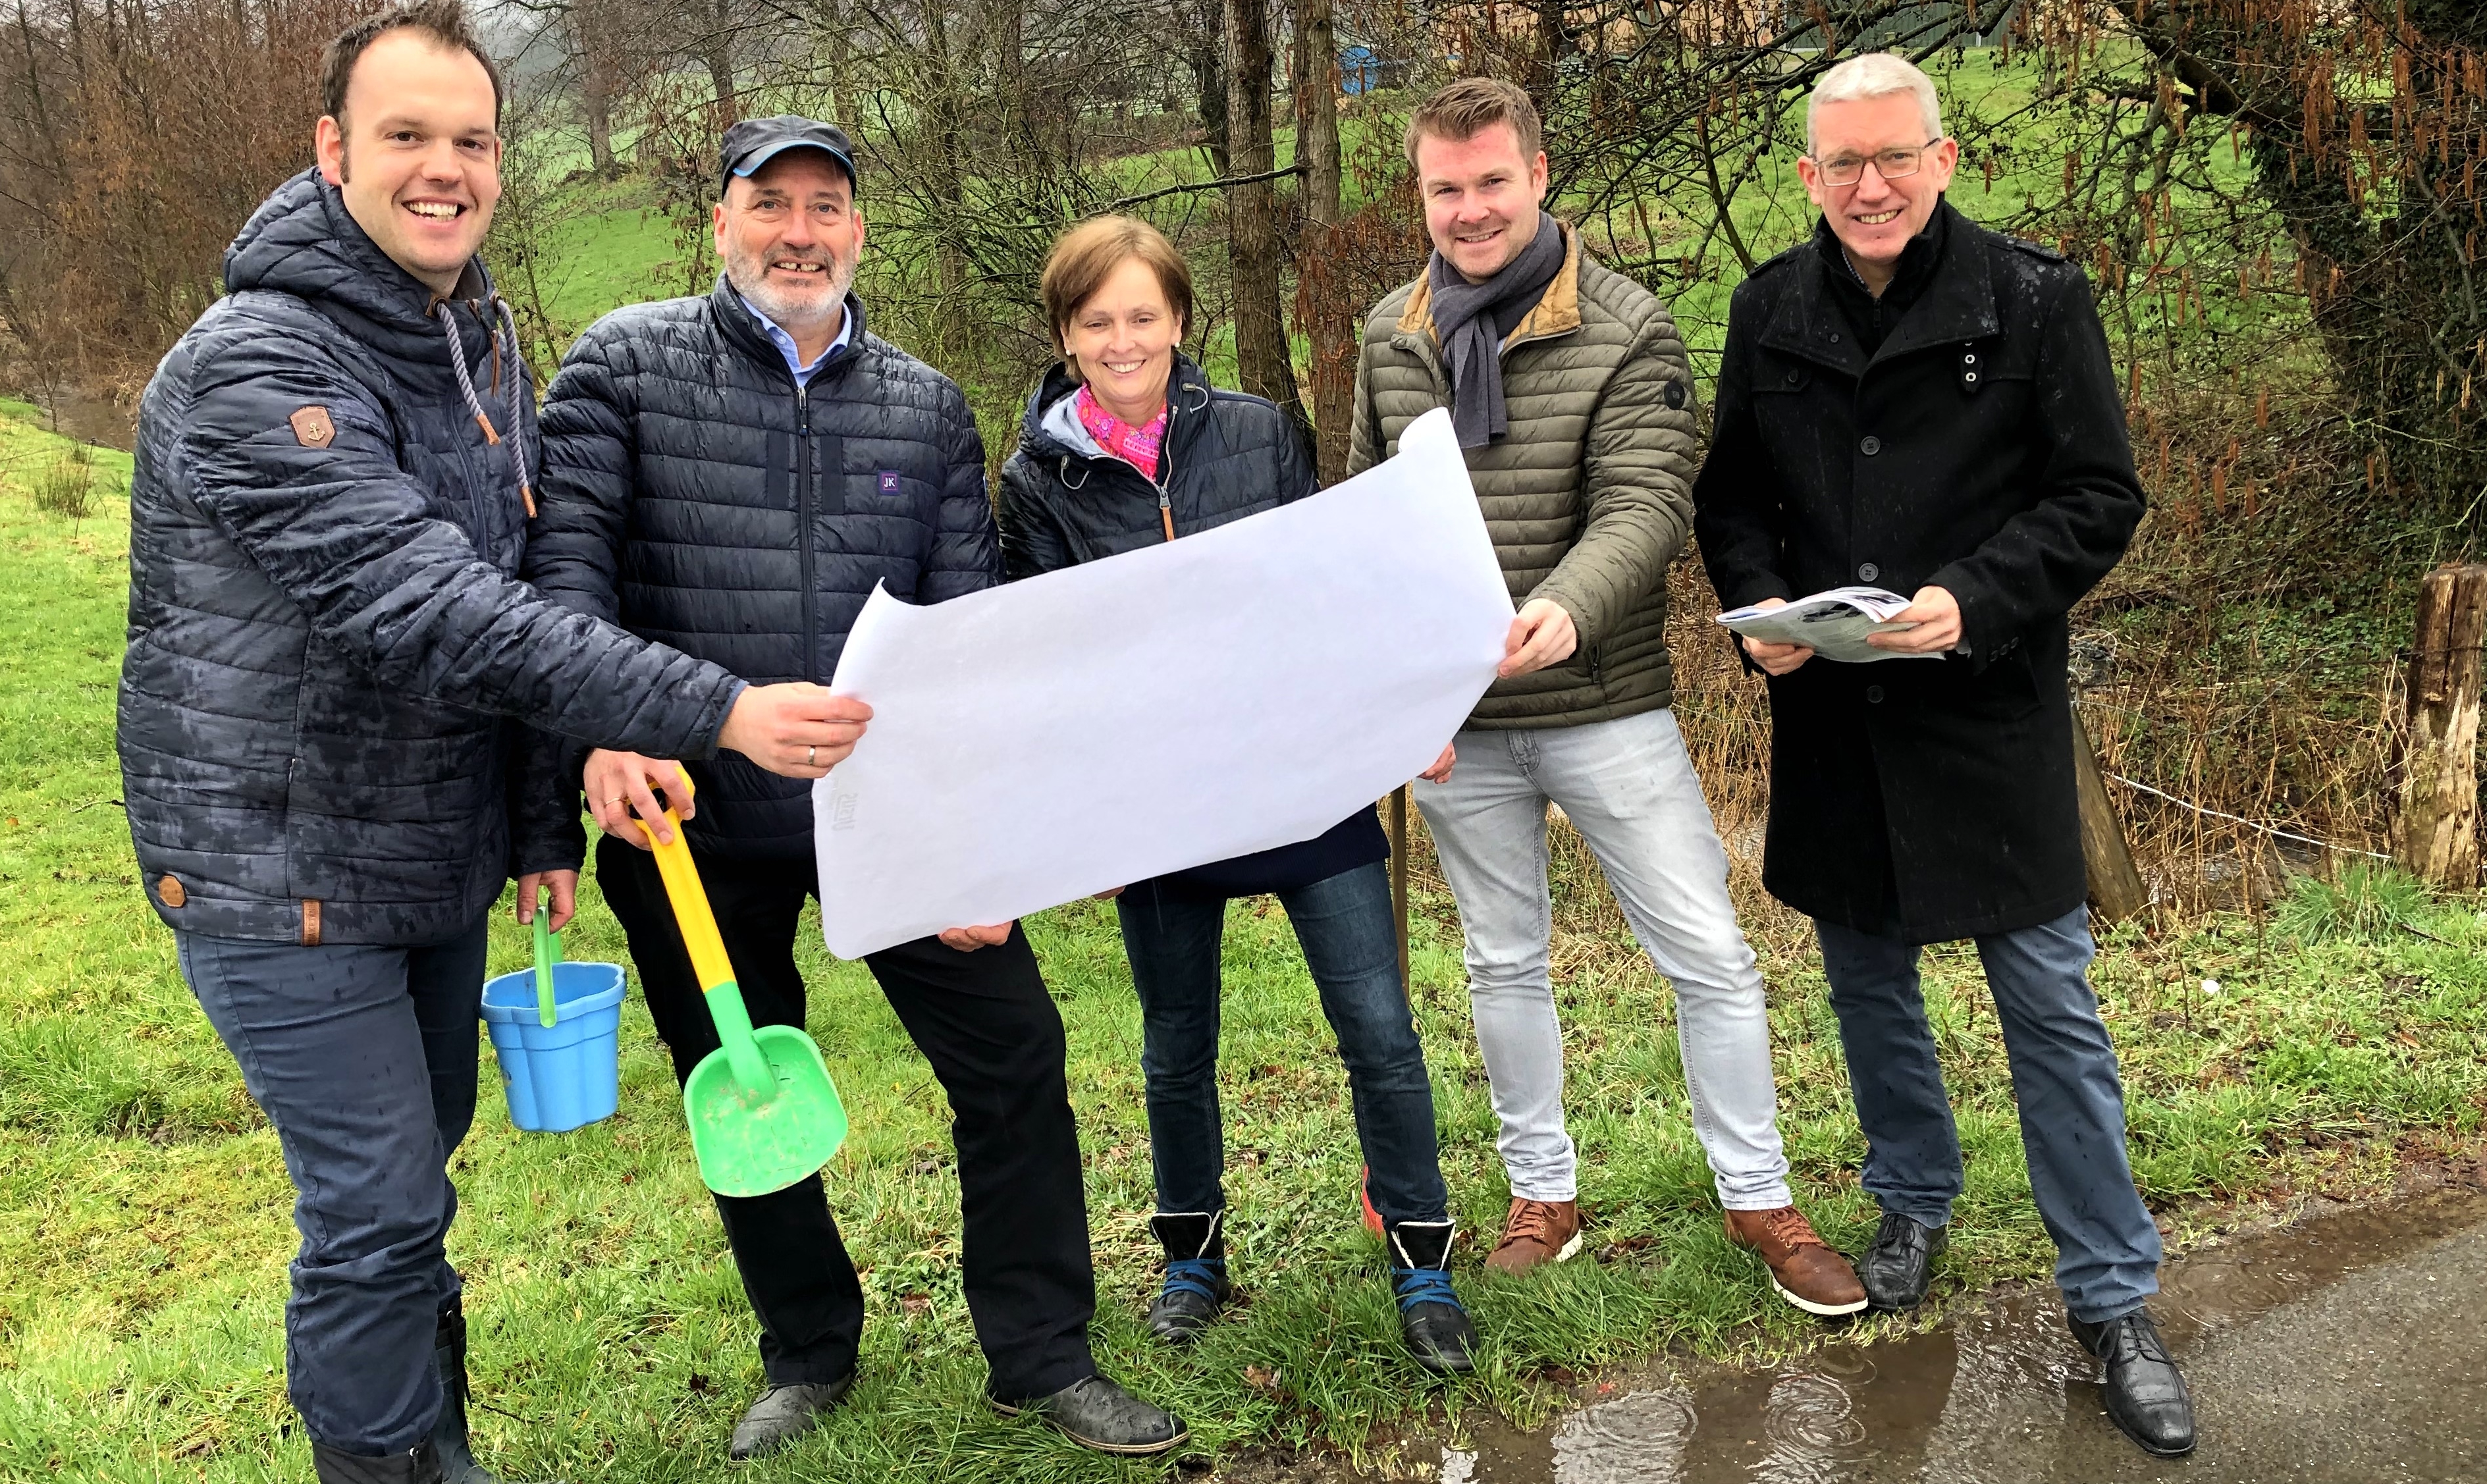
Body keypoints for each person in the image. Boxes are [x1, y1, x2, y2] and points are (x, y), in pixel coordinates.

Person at [119, 3, 843, 1484]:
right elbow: (432, 609)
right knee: (376, 1209)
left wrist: (533, 818)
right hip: (276, 867)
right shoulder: (256, 364)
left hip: (430, 855)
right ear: (332, 152)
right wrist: (713, 709)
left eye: (470, 141)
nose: (442, 170)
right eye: (405, 137)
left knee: (413, 1193)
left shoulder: (478, 334)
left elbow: (516, 573)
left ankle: (431, 1449)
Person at [523, 118, 1185, 1460]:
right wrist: (599, 741)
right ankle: (809, 1348)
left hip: (891, 812)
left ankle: (1042, 1352)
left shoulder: (925, 406)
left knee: (1014, 1057)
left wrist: (983, 846)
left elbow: (970, 629)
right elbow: (562, 586)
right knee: (741, 1080)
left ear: (859, 234)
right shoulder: (619, 367)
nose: (800, 232)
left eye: (827, 206)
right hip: (688, 818)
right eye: (772, 205)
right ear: (722, 224)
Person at [1691, 53, 2192, 1457]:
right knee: (1867, 985)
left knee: (2052, 1015)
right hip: (1838, 721)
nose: (1868, 185)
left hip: (1986, 718)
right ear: (1808, 177)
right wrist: (1758, 623)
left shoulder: (2035, 299)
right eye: (1841, 164)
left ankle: (2112, 1295)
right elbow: (1727, 497)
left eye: (1892, 158)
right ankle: (1912, 1199)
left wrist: (1975, 597)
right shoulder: (1767, 308)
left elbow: (2103, 495)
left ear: (1945, 158)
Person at [1347, 78, 1867, 1315]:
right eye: (1444, 189)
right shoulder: (1389, 333)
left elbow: (1649, 504)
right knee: (1502, 961)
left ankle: (1759, 1199)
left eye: (1491, 182)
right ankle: (1544, 1194)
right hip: (1459, 727)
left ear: (1538, 175)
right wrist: (1398, 698)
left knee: (1711, 956)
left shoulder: (1629, 328)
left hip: (1605, 703)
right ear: (1420, 193)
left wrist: (1568, 608)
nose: (1469, 211)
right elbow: (1370, 519)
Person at [994, 215, 1477, 1374]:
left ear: (1181, 322)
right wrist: (1078, 819)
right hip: (1158, 805)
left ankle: (1422, 1256)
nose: (1123, 340)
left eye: (1143, 317)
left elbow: (1329, 594)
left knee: (1379, 1029)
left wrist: (1400, 718)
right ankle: (1192, 1255)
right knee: (1176, 1044)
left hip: (1307, 777)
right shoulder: (1033, 478)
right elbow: (1042, 659)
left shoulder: (1261, 430)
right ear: (1066, 335)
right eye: (1097, 321)